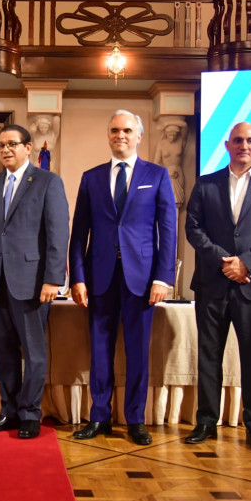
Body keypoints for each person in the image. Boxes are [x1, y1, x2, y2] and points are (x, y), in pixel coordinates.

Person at [69, 110, 177, 445]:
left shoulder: (157, 175)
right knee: (99, 351)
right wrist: (77, 277)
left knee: (137, 351)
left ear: (139, 135)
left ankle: (135, 419)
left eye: (127, 130)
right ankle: (99, 416)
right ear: (109, 135)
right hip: (99, 277)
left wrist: (163, 277)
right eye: (115, 130)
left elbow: (168, 231)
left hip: (142, 280)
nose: (121, 136)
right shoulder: (91, 178)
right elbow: (79, 232)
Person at [185, 122, 251, 452]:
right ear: (227, 144)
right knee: (208, 357)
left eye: (250, 140)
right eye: (237, 140)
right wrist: (224, 261)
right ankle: (206, 422)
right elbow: (193, 228)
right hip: (212, 284)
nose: (244, 145)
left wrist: (247, 262)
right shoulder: (206, 184)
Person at [0, 124, 69, 440]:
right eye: (0, 145)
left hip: (33, 284)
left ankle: (29, 414)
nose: (6, 150)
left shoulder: (47, 182)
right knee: (4, 353)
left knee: (34, 354)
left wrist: (53, 278)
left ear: (28, 147)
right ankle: (8, 411)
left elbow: (58, 233)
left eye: (12, 144)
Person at [152, 118, 188, 209]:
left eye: (174, 135)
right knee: (166, 200)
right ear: (165, 133)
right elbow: (156, 163)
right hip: (166, 173)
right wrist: (167, 173)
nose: (172, 137)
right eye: (169, 135)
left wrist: (168, 122)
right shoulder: (162, 144)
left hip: (178, 173)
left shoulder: (181, 142)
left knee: (178, 202)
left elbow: (184, 125)